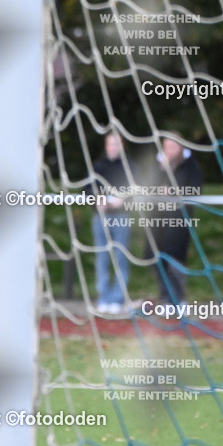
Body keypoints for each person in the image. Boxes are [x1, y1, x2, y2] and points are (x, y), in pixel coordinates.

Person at [146, 138, 202, 307]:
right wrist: (162, 172)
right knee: (158, 260)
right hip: (157, 222)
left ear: (180, 147)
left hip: (179, 221)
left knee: (175, 260)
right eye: (166, 146)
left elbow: (196, 189)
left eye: (172, 146)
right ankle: (165, 299)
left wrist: (174, 190)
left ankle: (178, 299)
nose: (169, 150)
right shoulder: (158, 165)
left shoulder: (190, 166)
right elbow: (147, 186)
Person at [88, 132, 133, 314]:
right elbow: (88, 188)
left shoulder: (129, 167)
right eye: (110, 144)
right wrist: (96, 200)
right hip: (101, 218)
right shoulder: (98, 166)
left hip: (122, 216)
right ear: (106, 146)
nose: (113, 147)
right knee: (102, 258)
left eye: (116, 144)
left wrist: (123, 198)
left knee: (120, 258)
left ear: (122, 146)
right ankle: (103, 297)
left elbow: (137, 186)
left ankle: (117, 299)